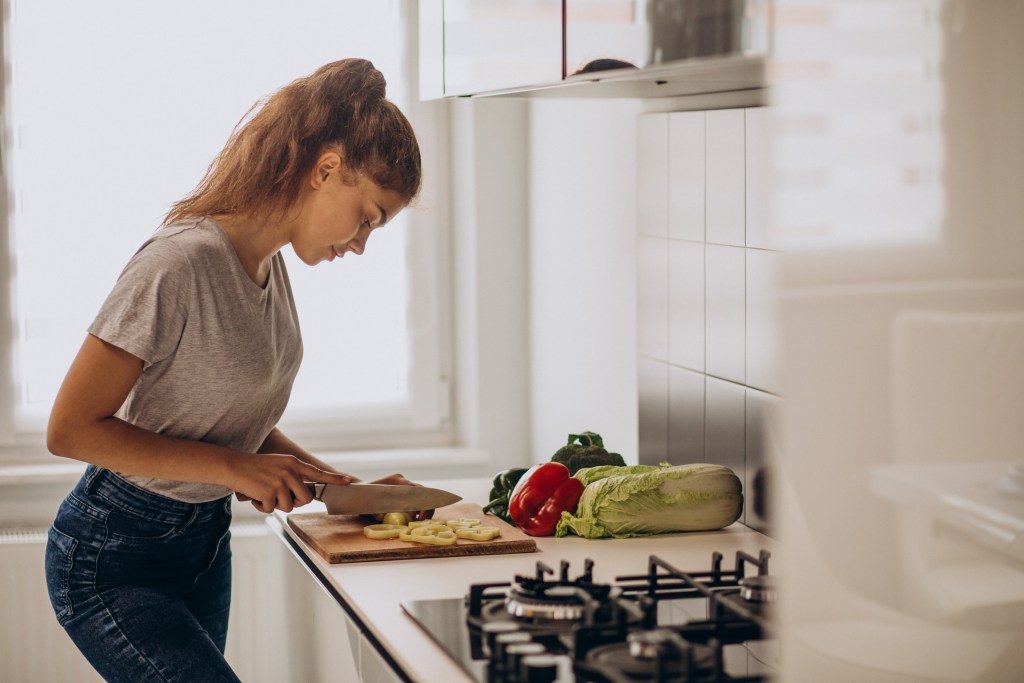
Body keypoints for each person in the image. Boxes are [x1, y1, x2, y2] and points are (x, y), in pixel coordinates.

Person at [43, 58, 423, 682]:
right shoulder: (179, 264)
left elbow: (229, 424)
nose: (361, 243)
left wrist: (344, 490)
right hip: (112, 557)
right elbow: (71, 429)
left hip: (202, 543)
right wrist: (234, 468)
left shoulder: (270, 268)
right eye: (368, 217)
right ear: (326, 169)